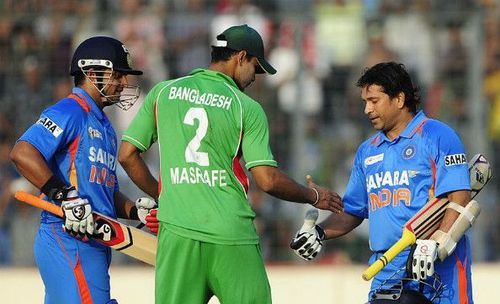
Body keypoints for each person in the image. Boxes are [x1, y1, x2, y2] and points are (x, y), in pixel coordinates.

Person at [118, 24, 343, 304]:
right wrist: (314, 195)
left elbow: (127, 155)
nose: (254, 78)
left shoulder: (163, 93)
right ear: (241, 57)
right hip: (230, 233)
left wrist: (163, 197)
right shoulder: (245, 106)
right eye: (255, 68)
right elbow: (267, 180)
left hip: (176, 232)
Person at [291, 62, 474, 304]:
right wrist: (320, 232)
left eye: (374, 101)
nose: (367, 109)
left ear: (399, 99)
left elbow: (460, 199)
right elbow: (354, 210)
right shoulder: (367, 151)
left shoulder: (437, 135)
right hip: (387, 272)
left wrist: (436, 242)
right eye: (365, 102)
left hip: (439, 270)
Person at [10, 36, 157, 303]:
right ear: (92, 73)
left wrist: (136, 211)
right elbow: (22, 152)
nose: (124, 83)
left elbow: (106, 192)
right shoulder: (70, 110)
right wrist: (64, 196)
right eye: (118, 74)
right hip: (68, 237)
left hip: (94, 242)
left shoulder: (107, 128)